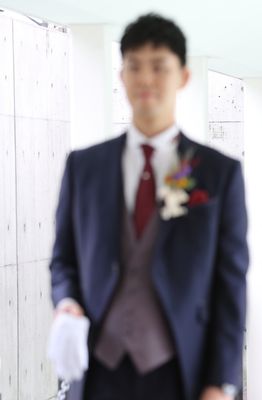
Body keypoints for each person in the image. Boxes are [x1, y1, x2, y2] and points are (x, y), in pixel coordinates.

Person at [49, 13, 248, 400]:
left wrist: (220, 382)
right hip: (98, 371)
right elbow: (63, 260)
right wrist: (67, 301)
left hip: (179, 372)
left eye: (159, 67)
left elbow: (230, 285)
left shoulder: (218, 173)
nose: (145, 78)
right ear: (121, 76)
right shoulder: (83, 167)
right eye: (134, 66)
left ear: (183, 76)